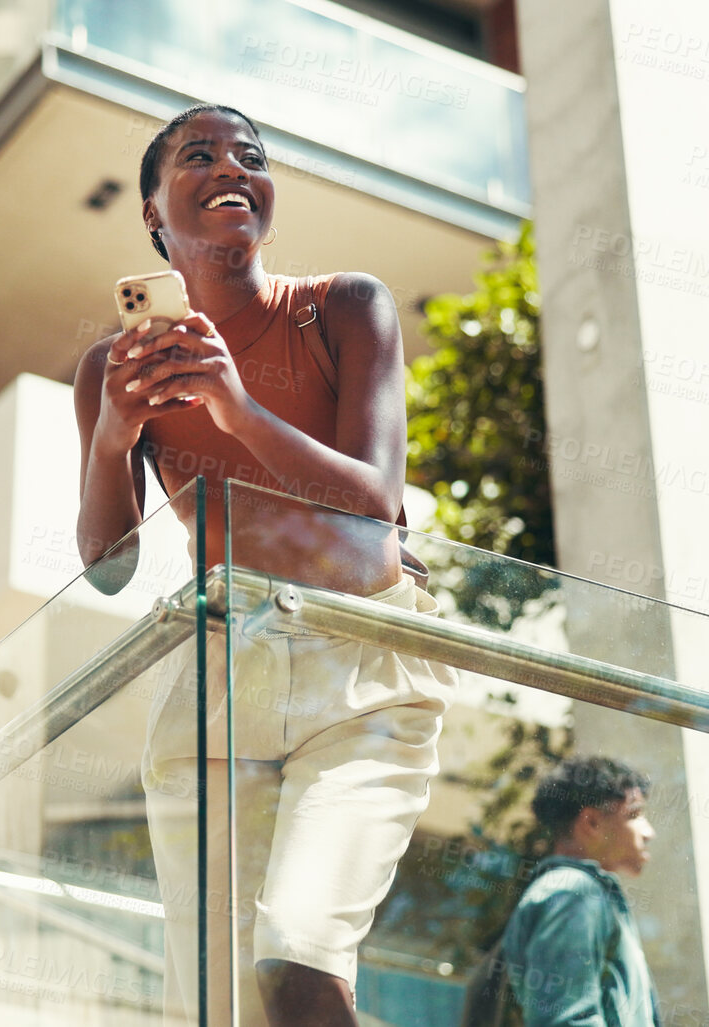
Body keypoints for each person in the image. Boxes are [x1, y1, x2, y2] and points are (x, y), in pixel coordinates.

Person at [71, 104, 455, 1027]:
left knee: (298, 958)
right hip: (217, 683)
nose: (230, 168)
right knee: (217, 1006)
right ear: (152, 212)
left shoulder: (344, 307)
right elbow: (109, 567)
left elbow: (374, 503)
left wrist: (235, 408)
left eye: (250, 155)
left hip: (359, 666)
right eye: (198, 155)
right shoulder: (108, 369)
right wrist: (116, 433)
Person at [499, 755, 661, 1027]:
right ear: (591, 823)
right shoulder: (573, 892)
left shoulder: (579, 892)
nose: (649, 832)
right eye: (634, 814)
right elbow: (565, 1020)